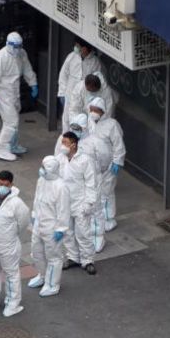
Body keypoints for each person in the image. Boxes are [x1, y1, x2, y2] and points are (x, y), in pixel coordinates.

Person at [0, 32, 38, 161]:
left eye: (19, 46)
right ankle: (1, 148)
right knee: (11, 121)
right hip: (2, 92)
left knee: (15, 118)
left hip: (14, 90)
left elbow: (27, 69)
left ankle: (13, 145)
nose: (17, 49)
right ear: (8, 45)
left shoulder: (21, 54)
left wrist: (33, 84)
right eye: (15, 47)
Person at [0, 171, 30, 317]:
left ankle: (13, 302)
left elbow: (23, 222)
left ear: (11, 184)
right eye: (0, 184)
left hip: (8, 245)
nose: (2, 187)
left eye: (6, 185)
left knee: (11, 274)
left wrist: (11, 233)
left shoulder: (17, 203)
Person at [27, 155, 70, 298]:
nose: (41, 169)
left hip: (52, 226)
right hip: (39, 222)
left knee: (54, 257)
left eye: (44, 167)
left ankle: (52, 284)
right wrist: (34, 215)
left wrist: (61, 228)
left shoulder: (61, 187)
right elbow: (37, 198)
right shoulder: (42, 180)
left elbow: (64, 210)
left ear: (51, 169)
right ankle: (43, 275)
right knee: (36, 252)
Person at [57, 127, 98, 275]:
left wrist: (89, 203)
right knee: (68, 233)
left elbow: (91, 183)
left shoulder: (84, 160)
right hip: (64, 203)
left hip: (80, 203)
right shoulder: (60, 159)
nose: (62, 145)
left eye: (65, 142)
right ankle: (73, 257)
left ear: (74, 144)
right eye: (62, 142)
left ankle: (88, 260)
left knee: (83, 233)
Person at [86, 96, 126, 235]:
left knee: (106, 192)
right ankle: (98, 217)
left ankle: (109, 219)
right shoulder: (89, 122)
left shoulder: (112, 125)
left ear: (103, 111)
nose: (93, 112)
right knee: (95, 192)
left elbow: (118, 145)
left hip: (109, 166)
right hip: (93, 164)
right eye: (91, 109)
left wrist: (117, 161)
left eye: (96, 110)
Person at [57, 39, 101, 120]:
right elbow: (63, 74)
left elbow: (98, 82)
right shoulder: (72, 56)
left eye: (78, 46)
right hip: (69, 95)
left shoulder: (95, 62)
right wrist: (62, 93)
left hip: (85, 98)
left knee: (82, 121)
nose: (76, 47)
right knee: (67, 119)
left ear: (84, 48)